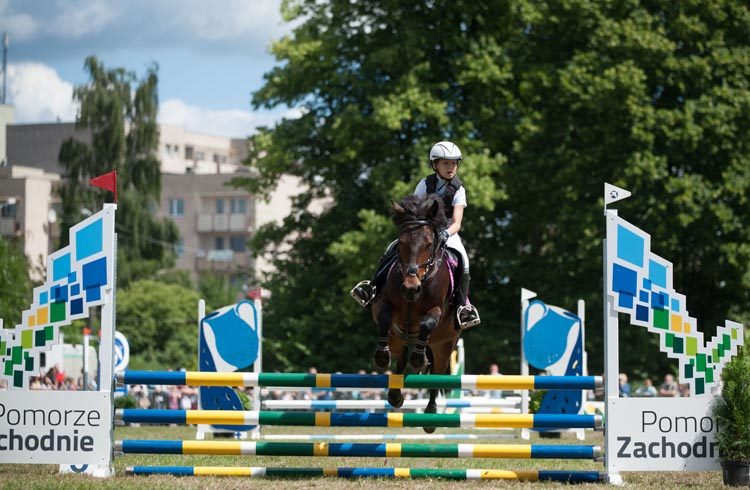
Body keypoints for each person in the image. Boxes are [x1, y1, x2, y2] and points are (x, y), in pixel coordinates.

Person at [350, 141, 481, 329]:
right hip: (424, 230)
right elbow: (414, 210)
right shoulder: (425, 183)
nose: (451, 167)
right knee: (393, 248)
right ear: (435, 164)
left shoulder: (459, 189)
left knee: (464, 260)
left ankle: (463, 307)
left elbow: (457, 222)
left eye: (453, 163)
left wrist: (444, 233)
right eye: (446, 163)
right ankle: (372, 288)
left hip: (447, 231)